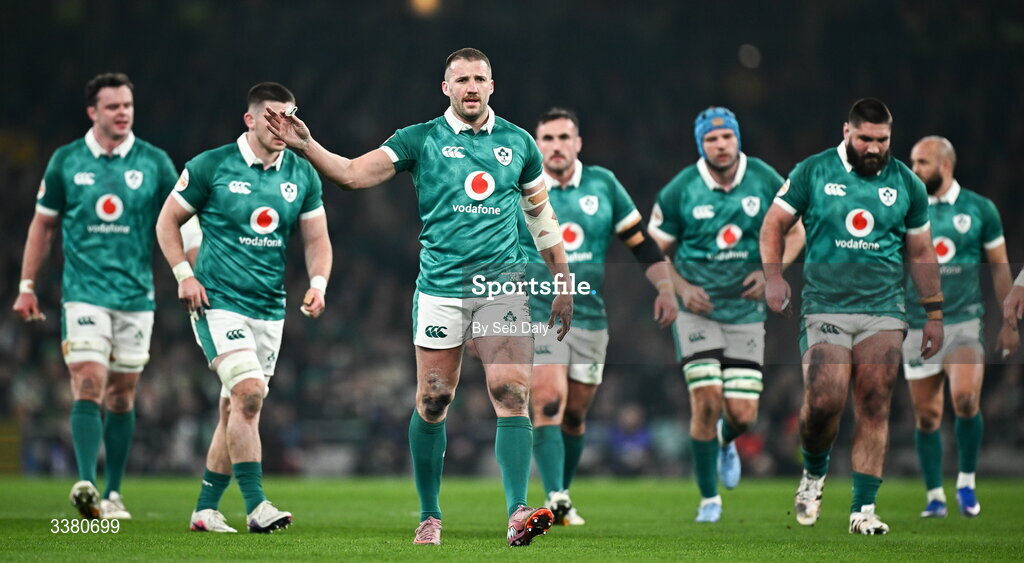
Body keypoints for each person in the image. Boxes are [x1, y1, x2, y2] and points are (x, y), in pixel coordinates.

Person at [264, 48, 573, 547]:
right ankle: (430, 515)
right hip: (441, 289)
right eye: (462, 80)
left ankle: (518, 512)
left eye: (479, 79)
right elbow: (351, 174)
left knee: (513, 393)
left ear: (492, 85)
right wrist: (308, 147)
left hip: (502, 288)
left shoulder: (519, 143)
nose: (471, 87)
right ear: (445, 87)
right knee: (434, 399)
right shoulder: (419, 138)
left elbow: (541, 218)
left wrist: (561, 279)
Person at [155, 82, 333, 534]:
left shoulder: (303, 173)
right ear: (249, 119)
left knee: (236, 407)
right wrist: (184, 276)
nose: (281, 126)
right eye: (272, 116)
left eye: (289, 116)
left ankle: (205, 509)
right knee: (250, 394)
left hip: (270, 308)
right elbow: (167, 222)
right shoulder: (211, 165)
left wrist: (317, 284)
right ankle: (257, 506)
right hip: (217, 301)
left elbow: (317, 241)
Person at [760, 98, 944, 535]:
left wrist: (934, 314)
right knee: (824, 402)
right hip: (825, 306)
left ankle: (863, 510)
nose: (874, 148)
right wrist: (773, 277)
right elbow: (772, 225)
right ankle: (814, 473)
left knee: (875, 399)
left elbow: (920, 252)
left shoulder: (908, 185)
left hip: (883, 308)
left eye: (882, 140)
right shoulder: (812, 171)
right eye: (865, 138)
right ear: (847, 132)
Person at [12, 73, 177, 520]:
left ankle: (114, 493)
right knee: (88, 381)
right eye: (113, 106)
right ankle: (86, 482)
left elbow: (185, 219)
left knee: (122, 396)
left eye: (127, 105)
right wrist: (27, 286)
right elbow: (43, 225)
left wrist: (191, 272)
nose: (122, 112)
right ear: (93, 112)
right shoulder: (66, 161)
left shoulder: (156, 162)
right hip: (84, 294)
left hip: (136, 296)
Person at [524, 108, 678, 526]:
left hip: (591, 318)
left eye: (563, 138)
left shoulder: (604, 184)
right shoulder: (520, 187)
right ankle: (554, 496)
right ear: (537, 145)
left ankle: (563, 493)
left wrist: (665, 287)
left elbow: (640, 242)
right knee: (549, 401)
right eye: (548, 139)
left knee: (575, 414)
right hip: (539, 312)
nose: (555, 146)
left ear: (578, 143)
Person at [648, 107, 803, 523]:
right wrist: (680, 289)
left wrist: (772, 273)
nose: (721, 145)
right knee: (706, 399)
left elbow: (798, 230)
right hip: (697, 312)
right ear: (702, 144)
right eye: (712, 139)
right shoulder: (682, 188)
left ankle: (726, 440)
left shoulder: (766, 178)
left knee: (741, 415)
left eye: (727, 138)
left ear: (737, 139)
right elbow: (654, 248)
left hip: (745, 312)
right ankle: (708, 499)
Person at [902, 136, 1018, 518]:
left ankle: (966, 484)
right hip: (919, 324)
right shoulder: (906, 207)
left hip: (965, 319)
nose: (914, 170)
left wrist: (1008, 319)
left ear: (945, 165)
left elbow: (999, 267)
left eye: (922, 163)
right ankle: (935, 495)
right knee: (927, 416)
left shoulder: (980, 209)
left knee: (966, 399)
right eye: (913, 163)